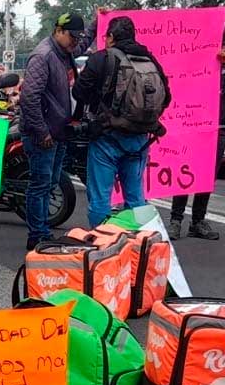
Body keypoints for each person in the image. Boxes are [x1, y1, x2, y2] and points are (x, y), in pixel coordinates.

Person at [73, 15, 171, 228]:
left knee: (101, 198)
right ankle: (137, 248)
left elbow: (79, 92)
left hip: (106, 138)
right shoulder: (150, 60)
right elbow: (167, 97)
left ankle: (104, 247)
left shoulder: (102, 59)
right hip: (140, 139)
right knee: (136, 197)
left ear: (110, 37)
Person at [19, 12, 84, 249]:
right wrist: (41, 131)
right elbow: (29, 97)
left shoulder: (64, 52)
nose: (75, 43)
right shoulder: (43, 56)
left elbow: (83, 44)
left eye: (78, 39)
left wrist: (99, 20)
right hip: (43, 134)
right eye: (72, 37)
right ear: (58, 31)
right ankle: (37, 235)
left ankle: (41, 230)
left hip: (59, 131)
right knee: (40, 183)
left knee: (51, 181)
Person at [169, 48, 225, 240]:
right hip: (193, 122)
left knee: (207, 176)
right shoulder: (199, 57)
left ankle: (198, 220)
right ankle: (176, 220)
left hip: (218, 127)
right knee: (184, 172)